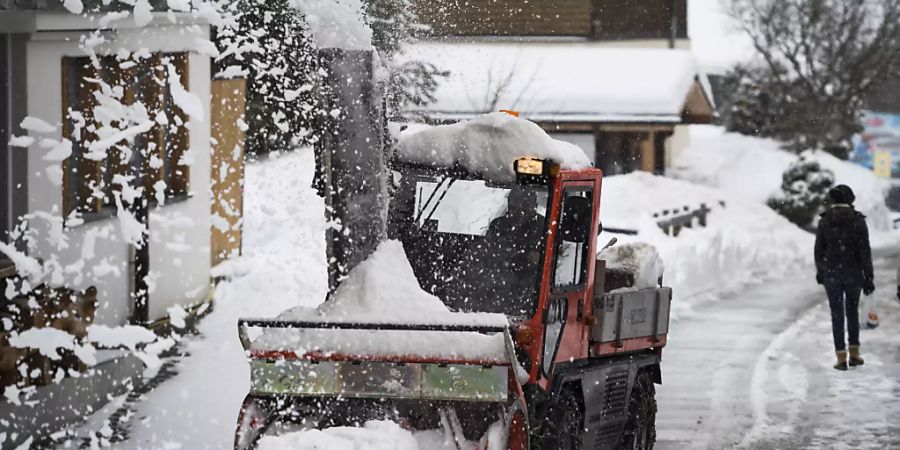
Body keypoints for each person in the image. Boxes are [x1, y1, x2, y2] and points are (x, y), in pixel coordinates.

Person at [815, 185, 874, 371]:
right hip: (854, 273)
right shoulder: (858, 221)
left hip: (832, 273)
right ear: (851, 199)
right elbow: (865, 252)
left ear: (832, 200)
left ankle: (841, 357)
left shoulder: (824, 221)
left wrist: (821, 270)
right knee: (852, 311)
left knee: (836, 314)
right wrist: (868, 276)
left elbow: (819, 250)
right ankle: (855, 354)